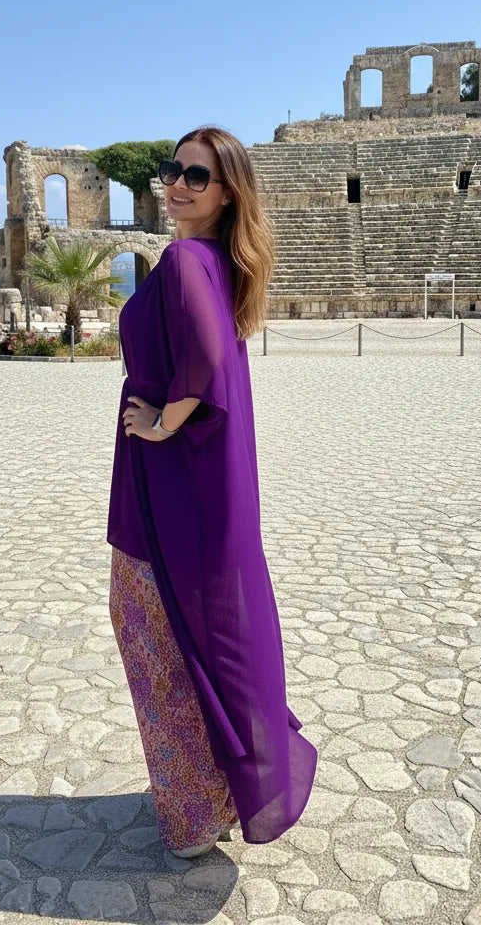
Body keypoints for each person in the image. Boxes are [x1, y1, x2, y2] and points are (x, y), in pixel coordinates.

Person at [106, 125, 317, 859]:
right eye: (174, 171)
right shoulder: (218, 261)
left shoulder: (186, 259)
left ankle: (195, 808)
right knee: (188, 634)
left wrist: (162, 422)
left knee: (150, 634)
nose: (178, 185)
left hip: (171, 480)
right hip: (196, 476)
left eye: (197, 177)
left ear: (227, 193)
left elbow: (202, 362)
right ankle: (214, 791)